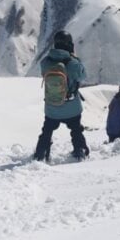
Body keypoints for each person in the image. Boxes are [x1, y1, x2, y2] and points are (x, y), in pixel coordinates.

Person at [34, 30, 90, 162]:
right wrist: (76, 59)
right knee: (76, 130)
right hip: (72, 107)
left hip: (52, 107)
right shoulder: (74, 64)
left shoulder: (45, 62)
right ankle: (80, 151)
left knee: (46, 132)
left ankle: (40, 154)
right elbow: (83, 76)